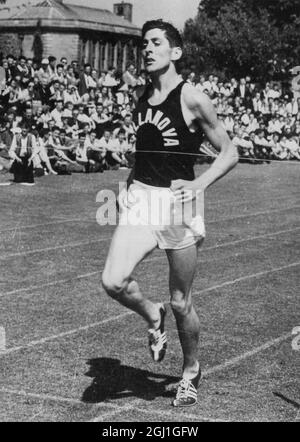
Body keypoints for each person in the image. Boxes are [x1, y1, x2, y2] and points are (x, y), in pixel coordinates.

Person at [102, 20, 238, 408]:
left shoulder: (193, 97)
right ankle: (151, 314)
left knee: (182, 301)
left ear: (175, 52)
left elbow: (230, 152)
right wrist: (130, 182)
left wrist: (199, 185)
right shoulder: (143, 95)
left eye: (156, 43)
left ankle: (190, 372)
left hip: (179, 204)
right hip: (143, 199)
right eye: (144, 43)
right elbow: (148, 147)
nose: (147, 49)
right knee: (113, 280)